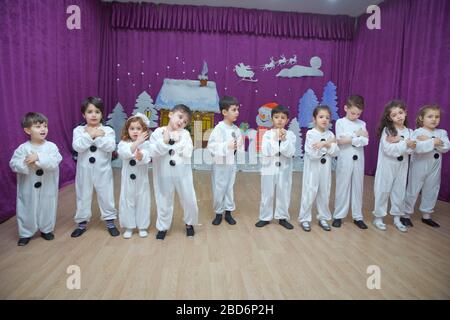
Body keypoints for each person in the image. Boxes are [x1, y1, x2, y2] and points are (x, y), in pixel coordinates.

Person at [9, 112, 62, 246]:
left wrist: (38, 158)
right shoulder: (23, 148)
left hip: (47, 184)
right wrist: (26, 163)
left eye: (45, 126)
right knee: (27, 206)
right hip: (28, 185)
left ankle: (46, 229)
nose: (43, 129)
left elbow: (55, 162)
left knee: (48, 205)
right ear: (27, 130)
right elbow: (14, 163)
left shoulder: (51, 147)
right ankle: (26, 232)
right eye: (38, 126)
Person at [70, 97, 120, 238]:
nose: (93, 115)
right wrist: (91, 134)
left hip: (103, 170)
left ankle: (110, 222)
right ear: (83, 115)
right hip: (84, 170)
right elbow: (78, 147)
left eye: (97, 112)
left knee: (106, 195)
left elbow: (110, 146)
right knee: (83, 195)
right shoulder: (79, 130)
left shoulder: (107, 130)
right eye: (90, 112)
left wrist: (96, 137)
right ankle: (81, 223)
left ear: (101, 114)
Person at [150, 104, 198, 240]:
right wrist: (165, 141)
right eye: (180, 117)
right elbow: (153, 152)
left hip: (182, 174)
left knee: (189, 198)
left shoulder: (185, 134)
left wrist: (179, 142)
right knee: (163, 199)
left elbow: (188, 151)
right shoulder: (158, 133)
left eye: (185, 122)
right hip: (163, 174)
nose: (181, 122)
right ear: (171, 114)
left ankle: (190, 223)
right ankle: (163, 227)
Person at [372, 100, 415, 232]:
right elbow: (388, 150)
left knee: (399, 191)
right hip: (387, 166)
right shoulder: (388, 130)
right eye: (395, 115)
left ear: (405, 112)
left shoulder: (409, 131)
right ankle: (378, 217)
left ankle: (397, 218)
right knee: (383, 190)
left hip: (402, 166)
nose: (399, 116)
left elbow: (411, 149)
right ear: (389, 118)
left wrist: (400, 141)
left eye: (401, 113)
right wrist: (404, 143)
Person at [403, 105, 449, 228]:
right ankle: (406, 215)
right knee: (413, 189)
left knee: (432, 190)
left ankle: (426, 215)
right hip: (419, 165)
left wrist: (429, 139)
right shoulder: (417, 132)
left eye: (437, 117)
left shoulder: (442, 132)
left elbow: (445, 147)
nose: (434, 119)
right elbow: (418, 148)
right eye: (430, 116)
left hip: (434, 167)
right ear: (422, 118)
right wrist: (435, 142)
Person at [298, 105, 339, 232]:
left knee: (324, 193)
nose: (324, 120)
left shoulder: (330, 134)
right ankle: (305, 218)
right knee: (309, 192)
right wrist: (326, 146)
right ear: (314, 119)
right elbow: (311, 153)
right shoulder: (311, 133)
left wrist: (324, 144)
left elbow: (335, 151)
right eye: (321, 117)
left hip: (325, 170)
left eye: (327, 117)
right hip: (312, 170)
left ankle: (323, 217)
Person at [256, 105, 296, 230]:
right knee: (267, 192)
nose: (279, 120)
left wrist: (283, 140)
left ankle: (282, 217)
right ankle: (265, 217)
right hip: (269, 168)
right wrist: (275, 139)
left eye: (283, 118)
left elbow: (290, 153)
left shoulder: (290, 135)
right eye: (276, 117)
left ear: (287, 120)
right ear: (272, 119)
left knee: (283, 192)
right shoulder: (267, 134)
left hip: (284, 169)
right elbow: (266, 151)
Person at [332, 95, 369, 229]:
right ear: (345, 108)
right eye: (353, 113)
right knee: (343, 186)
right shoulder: (340, 122)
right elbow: (340, 141)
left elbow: (365, 141)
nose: (355, 116)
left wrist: (351, 138)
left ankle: (357, 216)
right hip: (345, 158)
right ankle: (338, 215)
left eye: (358, 113)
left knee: (358, 187)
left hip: (359, 159)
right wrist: (357, 135)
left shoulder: (362, 124)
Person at [207, 96, 244, 226]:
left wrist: (239, 146)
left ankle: (228, 212)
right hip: (219, 164)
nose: (237, 112)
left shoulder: (236, 130)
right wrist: (226, 146)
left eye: (237, 109)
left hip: (231, 164)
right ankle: (218, 213)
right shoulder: (219, 129)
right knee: (219, 188)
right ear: (224, 112)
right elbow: (211, 146)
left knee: (229, 188)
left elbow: (239, 147)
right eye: (234, 110)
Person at [117, 113, 153, 239]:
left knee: (142, 200)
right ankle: (129, 226)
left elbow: (148, 157)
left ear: (144, 130)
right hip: (128, 180)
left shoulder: (147, 144)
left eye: (138, 128)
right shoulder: (123, 143)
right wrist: (136, 143)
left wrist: (141, 156)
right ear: (127, 130)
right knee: (128, 200)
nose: (135, 131)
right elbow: (124, 154)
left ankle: (142, 226)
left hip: (141, 180)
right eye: (132, 128)